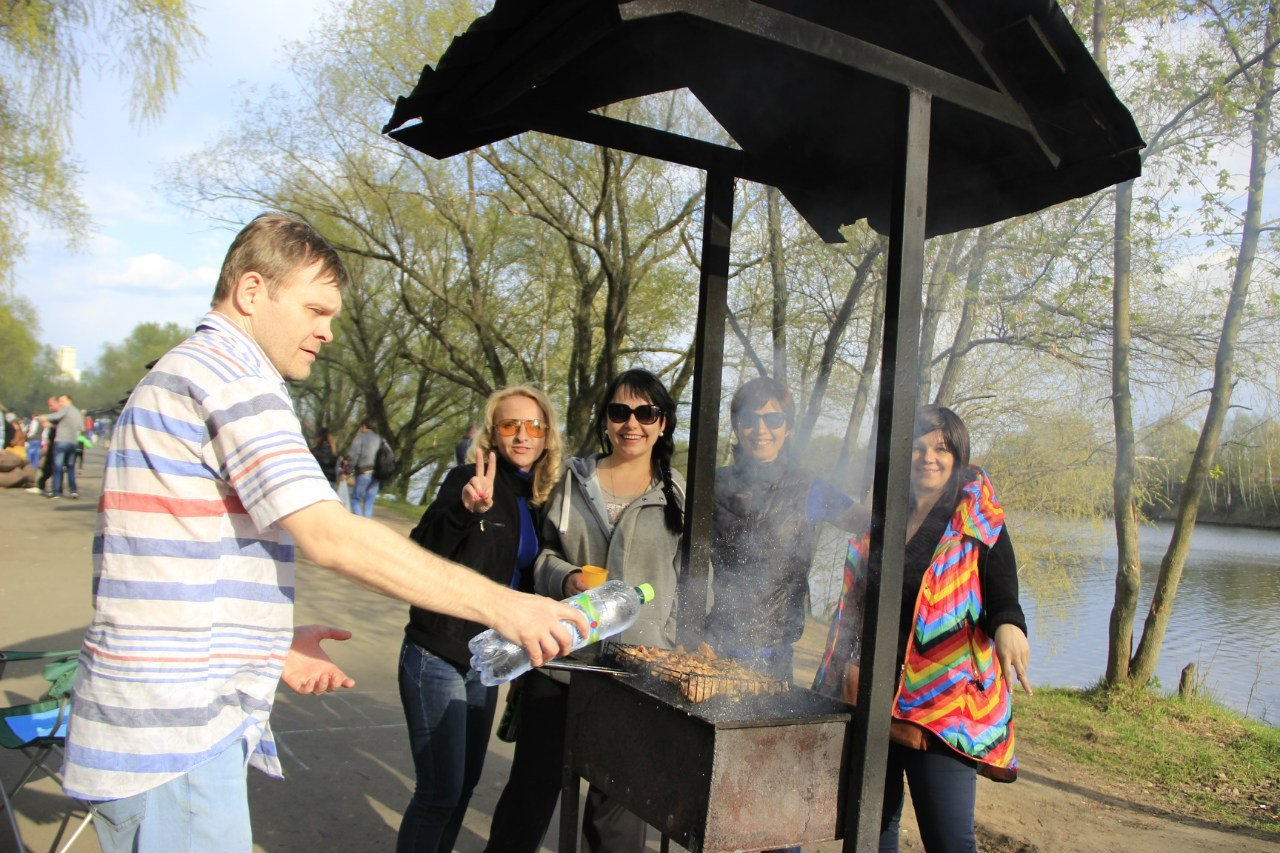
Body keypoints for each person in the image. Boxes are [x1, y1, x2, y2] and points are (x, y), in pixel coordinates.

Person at [62, 212, 589, 853]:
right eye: (315, 310)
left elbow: (172, 564)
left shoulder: (194, 372)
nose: (328, 332)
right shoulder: (232, 378)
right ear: (252, 292)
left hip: (166, 722)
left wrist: (267, 642)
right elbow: (327, 534)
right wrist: (506, 607)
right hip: (175, 735)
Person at [813, 404, 1032, 853]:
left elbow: (1002, 593)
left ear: (959, 455)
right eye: (916, 448)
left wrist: (1010, 627)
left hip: (943, 706)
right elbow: (857, 605)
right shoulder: (886, 516)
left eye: (941, 447)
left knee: (949, 840)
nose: (928, 457)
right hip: (872, 695)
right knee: (873, 829)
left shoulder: (977, 520)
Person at [485, 368, 685, 853]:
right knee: (530, 795)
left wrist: (679, 647)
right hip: (562, 662)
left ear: (662, 424)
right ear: (606, 421)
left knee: (617, 814)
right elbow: (541, 558)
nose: (631, 424)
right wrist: (567, 578)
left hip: (639, 676)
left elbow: (699, 581)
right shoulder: (572, 480)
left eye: (645, 413)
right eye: (619, 412)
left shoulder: (680, 493)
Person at [397, 385, 563, 853]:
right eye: (510, 425)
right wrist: (465, 512)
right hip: (439, 653)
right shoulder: (469, 480)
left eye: (534, 426)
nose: (522, 436)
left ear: (547, 435)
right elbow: (420, 550)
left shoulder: (536, 498)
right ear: (494, 433)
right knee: (438, 794)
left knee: (461, 790)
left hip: (486, 661)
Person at [704, 376, 866, 682]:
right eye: (750, 419)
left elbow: (869, 525)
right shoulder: (710, 484)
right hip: (711, 645)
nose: (761, 429)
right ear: (737, 426)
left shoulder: (808, 488)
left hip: (772, 657)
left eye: (773, 419)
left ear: (788, 428)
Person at [45, 392, 84, 499]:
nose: (60, 403)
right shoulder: (77, 412)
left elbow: (55, 416)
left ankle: (56, 491)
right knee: (70, 467)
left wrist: (43, 417)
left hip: (61, 441)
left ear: (68, 401)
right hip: (72, 442)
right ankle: (73, 490)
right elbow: (82, 427)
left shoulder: (65, 409)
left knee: (57, 467)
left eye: (62, 401)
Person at [348, 417, 383, 517]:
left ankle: (359, 524)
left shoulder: (360, 438)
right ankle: (367, 523)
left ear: (363, 426)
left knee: (355, 500)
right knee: (369, 503)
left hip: (364, 472)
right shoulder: (380, 439)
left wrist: (349, 472)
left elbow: (354, 456)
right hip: (377, 474)